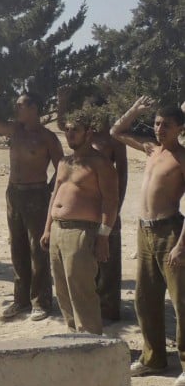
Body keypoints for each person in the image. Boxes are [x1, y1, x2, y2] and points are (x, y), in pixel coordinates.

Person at [110, 97, 185, 386]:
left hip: (171, 231)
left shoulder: (182, 158)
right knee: (145, 298)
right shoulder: (151, 150)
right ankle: (153, 359)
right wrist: (134, 111)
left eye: (166, 124)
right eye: (156, 123)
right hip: (145, 231)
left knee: (181, 302)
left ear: (180, 127)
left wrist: (181, 245)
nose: (159, 129)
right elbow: (116, 131)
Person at [0, 79, 63, 321]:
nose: (16, 109)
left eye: (21, 105)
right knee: (17, 248)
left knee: (38, 249)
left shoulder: (47, 137)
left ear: (34, 108)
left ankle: (41, 302)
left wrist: (49, 190)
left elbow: (63, 168)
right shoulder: (14, 130)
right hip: (13, 194)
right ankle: (20, 300)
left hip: (37, 194)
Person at [41, 114, 119, 334]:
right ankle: (73, 338)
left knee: (81, 290)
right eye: (67, 129)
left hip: (82, 231)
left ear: (88, 133)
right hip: (57, 229)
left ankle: (91, 341)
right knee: (63, 289)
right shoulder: (64, 162)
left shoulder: (100, 163)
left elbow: (111, 202)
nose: (70, 134)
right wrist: (47, 229)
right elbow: (54, 196)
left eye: (75, 129)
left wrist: (103, 236)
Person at [57, 88, 129, 321]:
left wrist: (115, 209)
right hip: (84, 210)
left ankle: (109, 310)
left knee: (107, 258)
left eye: (95, 111)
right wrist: (63, 101)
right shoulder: (81, 136)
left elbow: (123, 175)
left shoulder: (113, 140)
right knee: (82, 265)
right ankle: (89, 309)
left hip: (106, 207)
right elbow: (63, 124)